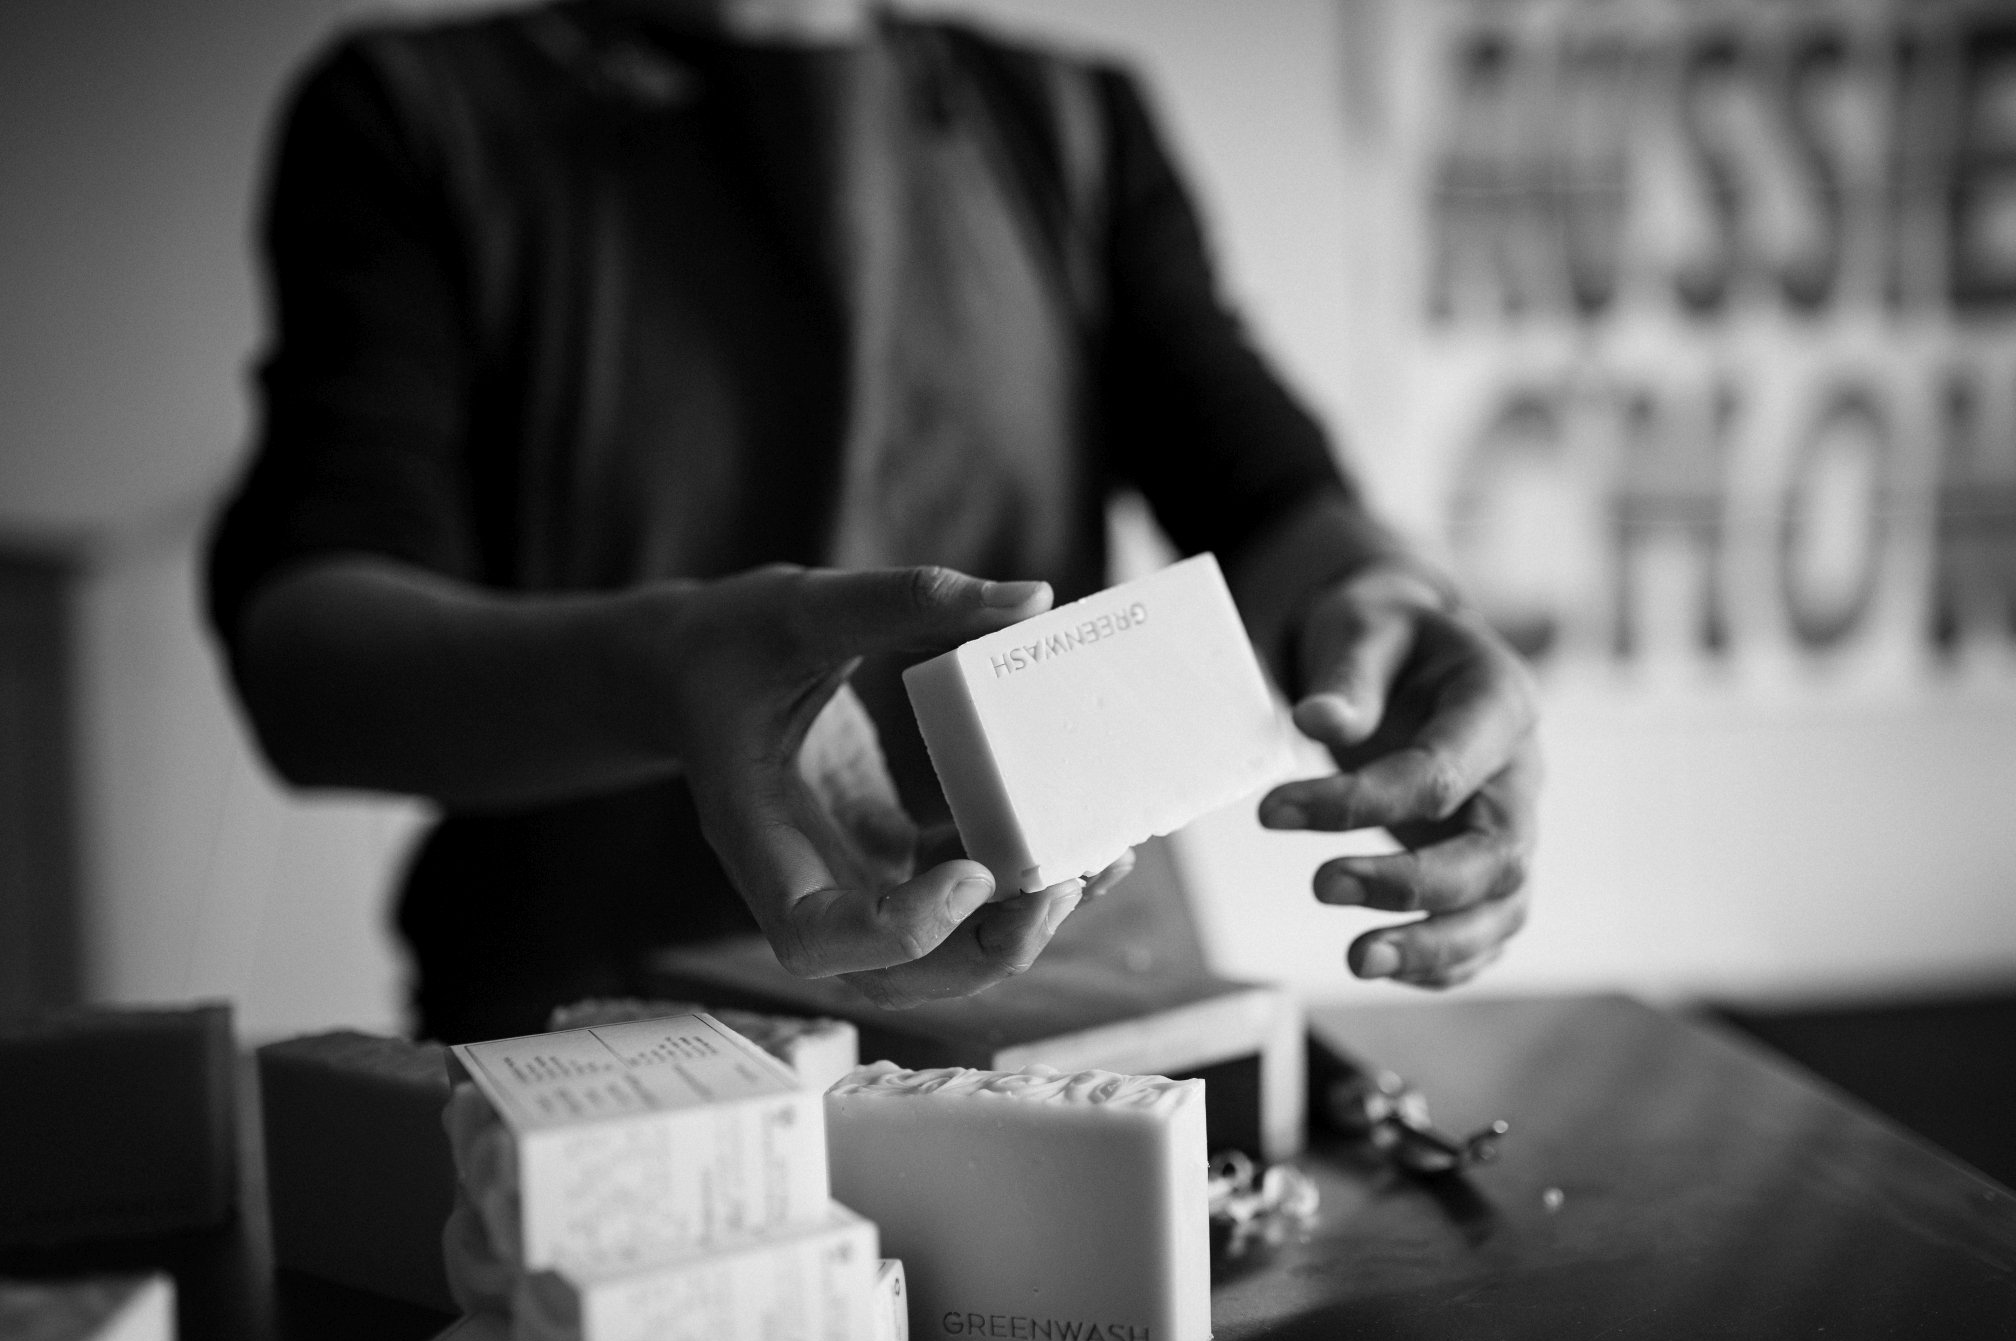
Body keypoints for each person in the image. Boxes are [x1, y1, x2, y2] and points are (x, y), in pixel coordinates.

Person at [207, 0, 1540, 1043]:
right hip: (598, 1045)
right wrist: (663, 672)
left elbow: (1263, 493)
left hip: (1077, 1022)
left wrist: (1392, 612)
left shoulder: (1070, 122)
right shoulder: (415, 116)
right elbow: (309, 657)